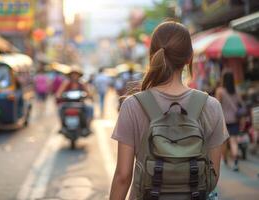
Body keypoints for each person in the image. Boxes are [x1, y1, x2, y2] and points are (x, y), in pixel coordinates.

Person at [110, 21, 229, 199]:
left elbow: (123, 176)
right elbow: (213, 175)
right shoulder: (211, 106)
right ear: (190, 58)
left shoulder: (132, 106)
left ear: (153, 56)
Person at [215, 72, 243, 171]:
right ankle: (235, 162)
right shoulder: (237, 90)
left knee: (223, 141)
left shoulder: (220, 91)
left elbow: (217, 106)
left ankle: (225, 159)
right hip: (235, 119)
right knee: (234, 141)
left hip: (224, 120)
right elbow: (240, 104)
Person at [56, 66, 93, 132]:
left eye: (76, 74)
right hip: (67, 103)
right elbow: (59, 93)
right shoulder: (66, 83)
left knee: (90, 108)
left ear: (79, 75)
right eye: (73, 74)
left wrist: (89, 96)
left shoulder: (82, 83)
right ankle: (62, 126)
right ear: (70, 75)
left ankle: (87, 126)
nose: (74, 76)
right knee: (60, 109)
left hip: (80, 104)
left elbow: (89, 93)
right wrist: (59, 96)